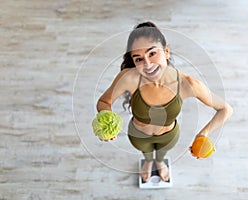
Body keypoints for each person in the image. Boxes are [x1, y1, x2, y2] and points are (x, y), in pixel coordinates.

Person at [96, 21, 233, 182]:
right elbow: (104, 102)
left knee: (161, 154)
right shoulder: (129, 78)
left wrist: (203, 133)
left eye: (152, 54)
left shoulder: (187, 85)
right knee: (146, 154)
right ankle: (148, 162)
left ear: (166, 51)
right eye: (139, 59)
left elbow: (225, 109)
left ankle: (159, 162)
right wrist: (106, 121)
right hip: (138, 135)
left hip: (168, 136)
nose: (147, 64)